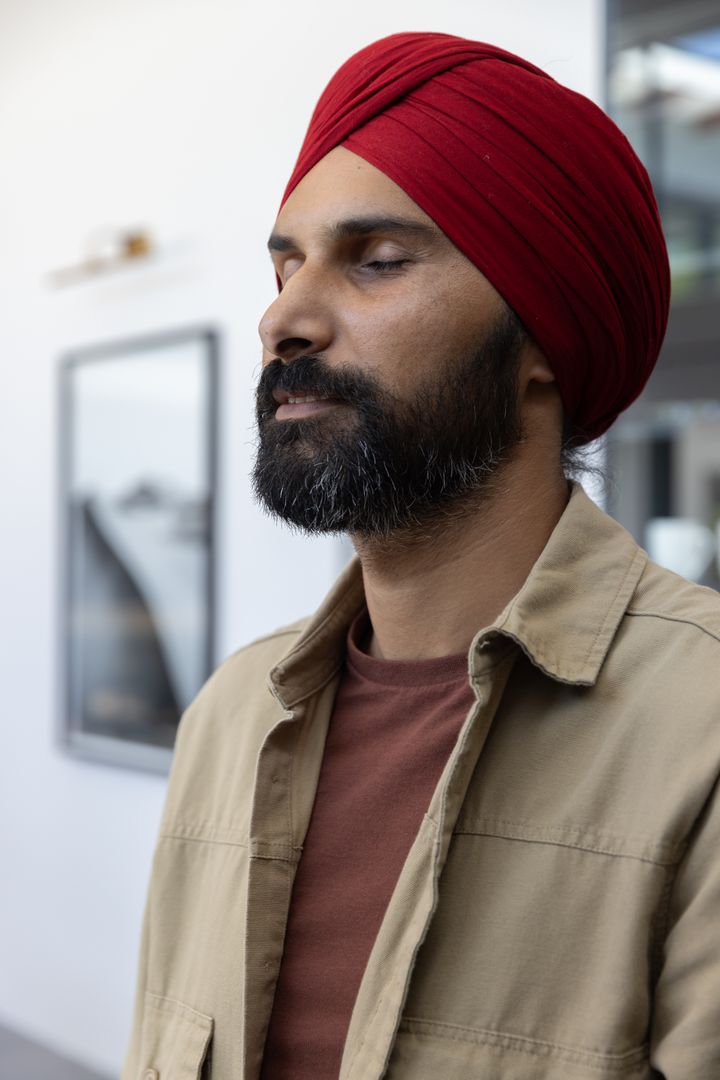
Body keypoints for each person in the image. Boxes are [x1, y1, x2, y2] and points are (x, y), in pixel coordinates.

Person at [122, 32, 720, 1080]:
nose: (284, 319)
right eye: (284, 265)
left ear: (542, 338)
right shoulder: (231, 714)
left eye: (379, 261)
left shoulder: (702, 731)